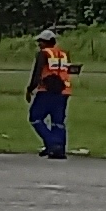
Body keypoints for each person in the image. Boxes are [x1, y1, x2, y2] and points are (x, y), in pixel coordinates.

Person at [28, 26, 75, 158]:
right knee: (58, 121)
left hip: (47, 90)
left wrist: (30, 88)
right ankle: (59, 149)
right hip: (64, 91)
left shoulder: (44, 53)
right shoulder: (64, 54)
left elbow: (37, 73)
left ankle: (52, 143)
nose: (39, 44)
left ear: (48, 42)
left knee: (35, 117)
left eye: (41, 41)